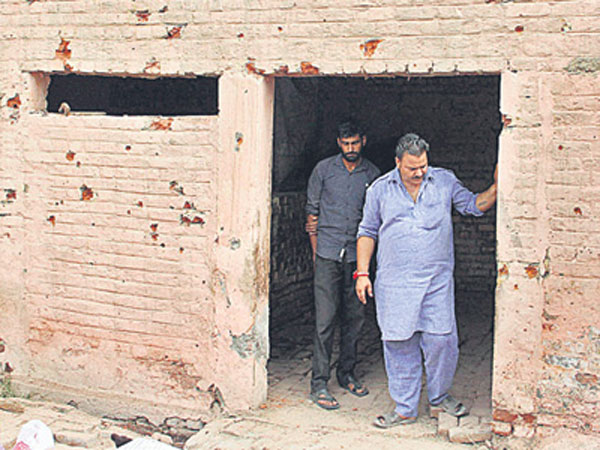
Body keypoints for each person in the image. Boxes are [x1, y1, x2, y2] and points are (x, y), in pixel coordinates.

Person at [355, 133, 498, 427]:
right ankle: (405, 408)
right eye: (412, 168)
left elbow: (472, 205)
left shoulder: (444, 181)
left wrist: (498, 187)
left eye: (423, 166)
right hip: (395, 284)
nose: (419, 172)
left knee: (442, 341)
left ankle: (439, 396)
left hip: (436, 282)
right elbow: (367, 232)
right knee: (399, 343)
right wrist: (362, 273)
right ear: (398, 163)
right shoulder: (380, 189)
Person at [305, 121, 381, 410]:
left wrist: (366, 266)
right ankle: (319, 382)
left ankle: (346, 373)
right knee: (324, 321)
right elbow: (312, 215)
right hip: (327, 254)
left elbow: (375, 220)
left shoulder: (372, 174)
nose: (350, 148)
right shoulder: (323, 170)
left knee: (355, 319)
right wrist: (316, 256)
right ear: (338, 143)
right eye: (345, 143)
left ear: (363, 141)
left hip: (356, 259)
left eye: (355, 143)